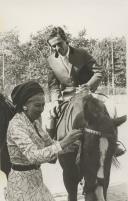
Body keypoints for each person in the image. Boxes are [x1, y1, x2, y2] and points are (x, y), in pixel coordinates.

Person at [46, 26, 126, 157]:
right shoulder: (51, 60)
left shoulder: (81, 53)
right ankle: (50, 147)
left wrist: (88, 86)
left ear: (66, 40)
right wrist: (55, 101)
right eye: (53, 46)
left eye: (59, 44)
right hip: (66, 96)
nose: (56, 48)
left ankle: (113, 143)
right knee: (50, 115)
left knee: (110, 107)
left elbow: (99, 72)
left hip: (88, 93)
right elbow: (53, 85)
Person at [6, 80, 83, 201]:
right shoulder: (16, 125)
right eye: (37, 105)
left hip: (37, 182)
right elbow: (34, 156)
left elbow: (50, 144)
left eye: (43, 105)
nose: (42, 109)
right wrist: (64, 142)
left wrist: (73, 145)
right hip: (21, 186)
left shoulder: (35, 122)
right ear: (24, 105)